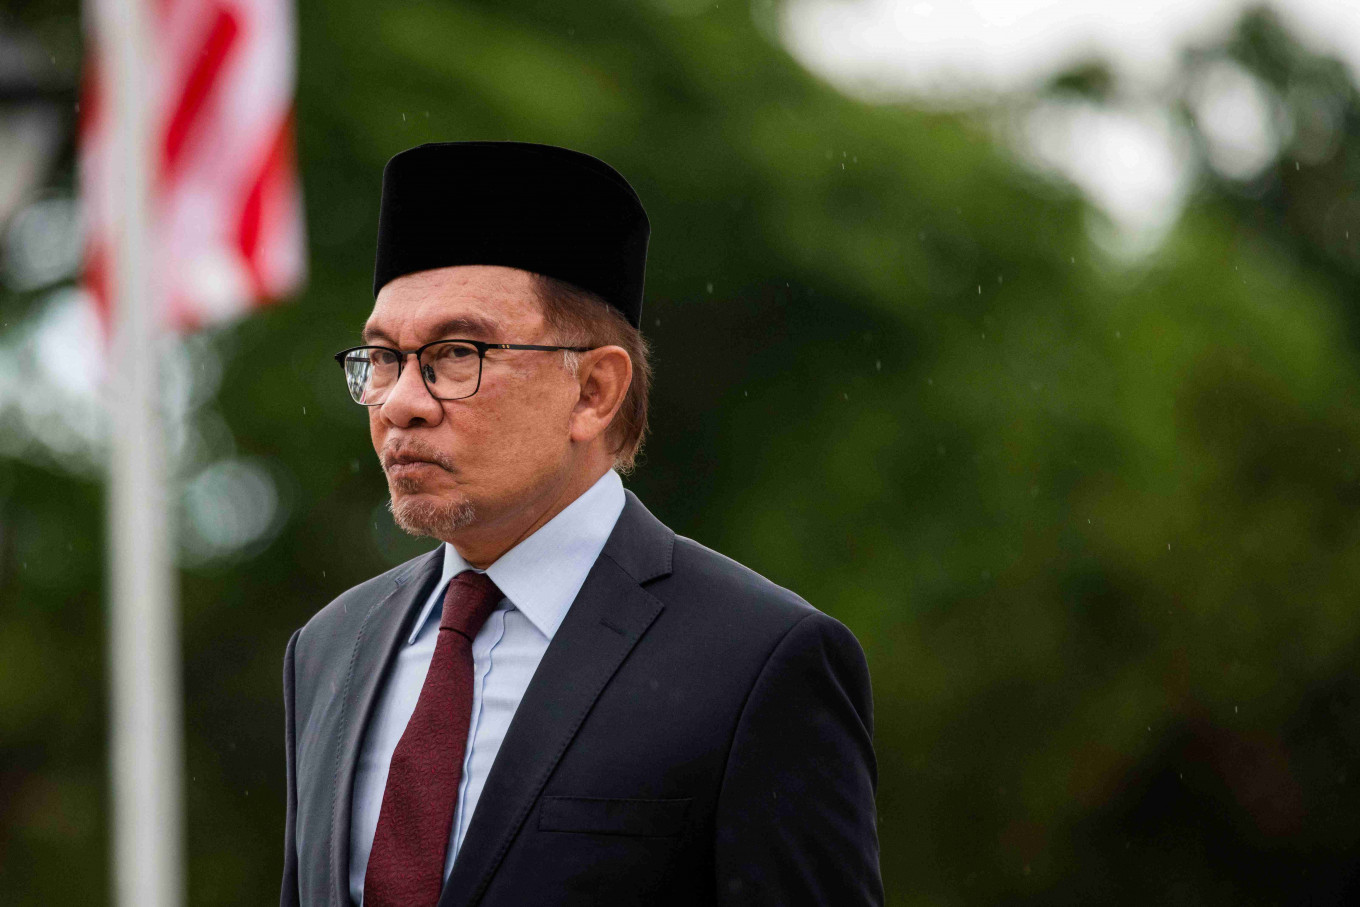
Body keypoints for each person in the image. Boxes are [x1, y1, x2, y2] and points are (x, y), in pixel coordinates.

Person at [280, 141, 882, 907]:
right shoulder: (332, 647)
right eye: (384, 357)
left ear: (594, 390)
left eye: (455, 354)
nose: (400, 401)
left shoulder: (757, 662)